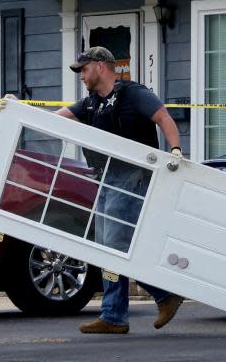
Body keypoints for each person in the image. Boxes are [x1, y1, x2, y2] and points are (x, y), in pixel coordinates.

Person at [58, 46, 185, 335]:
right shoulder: (91, 103)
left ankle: (138, 305)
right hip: (105, 177)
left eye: (84, 69)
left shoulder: (132, 94)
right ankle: (122, 312)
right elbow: (55, 117)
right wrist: (16, 108)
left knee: (117, 245)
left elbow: (164, 118)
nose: (81, 75)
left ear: (101, 66)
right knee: (107, 246)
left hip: (133, 177)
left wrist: (175, 150)